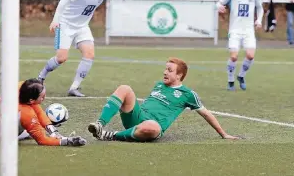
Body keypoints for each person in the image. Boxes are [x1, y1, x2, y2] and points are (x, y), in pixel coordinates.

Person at [37, 0, 157, 97]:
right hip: (65, 24)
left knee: (89, 54)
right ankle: (41, 77)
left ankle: (74, 88)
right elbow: (64, 1)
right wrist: (56, 20)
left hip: (82, 26)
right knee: (61, 58)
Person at [87, 57, 241, 142]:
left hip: (152, 126)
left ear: (179, 75)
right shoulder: (159, 85)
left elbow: (206, 114)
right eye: (165, 69)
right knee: (125, 88)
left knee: (152, 128)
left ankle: (111, 135)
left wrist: (224, 134)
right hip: (137, 116)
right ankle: (100, 125)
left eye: (169, 70)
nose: (165, 72)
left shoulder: (188, 94)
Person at [0, 78, 86, 146]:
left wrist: (52, 131)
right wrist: (67, 141)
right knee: (34, 130)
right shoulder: (26, 113)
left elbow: (37, 108)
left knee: (5, 97)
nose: (44, 98)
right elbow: (42, 140)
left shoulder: (20, 86)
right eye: (42, 97)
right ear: (31, 100)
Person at [216, 0, 264, 91]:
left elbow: (260, 8)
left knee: (250, 55)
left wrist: (258, 20)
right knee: (234, 56)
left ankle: (241, 76)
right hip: (235, 30)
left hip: (248, 30)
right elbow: (220, 2)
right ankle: (231, 80)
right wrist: (219, 7)